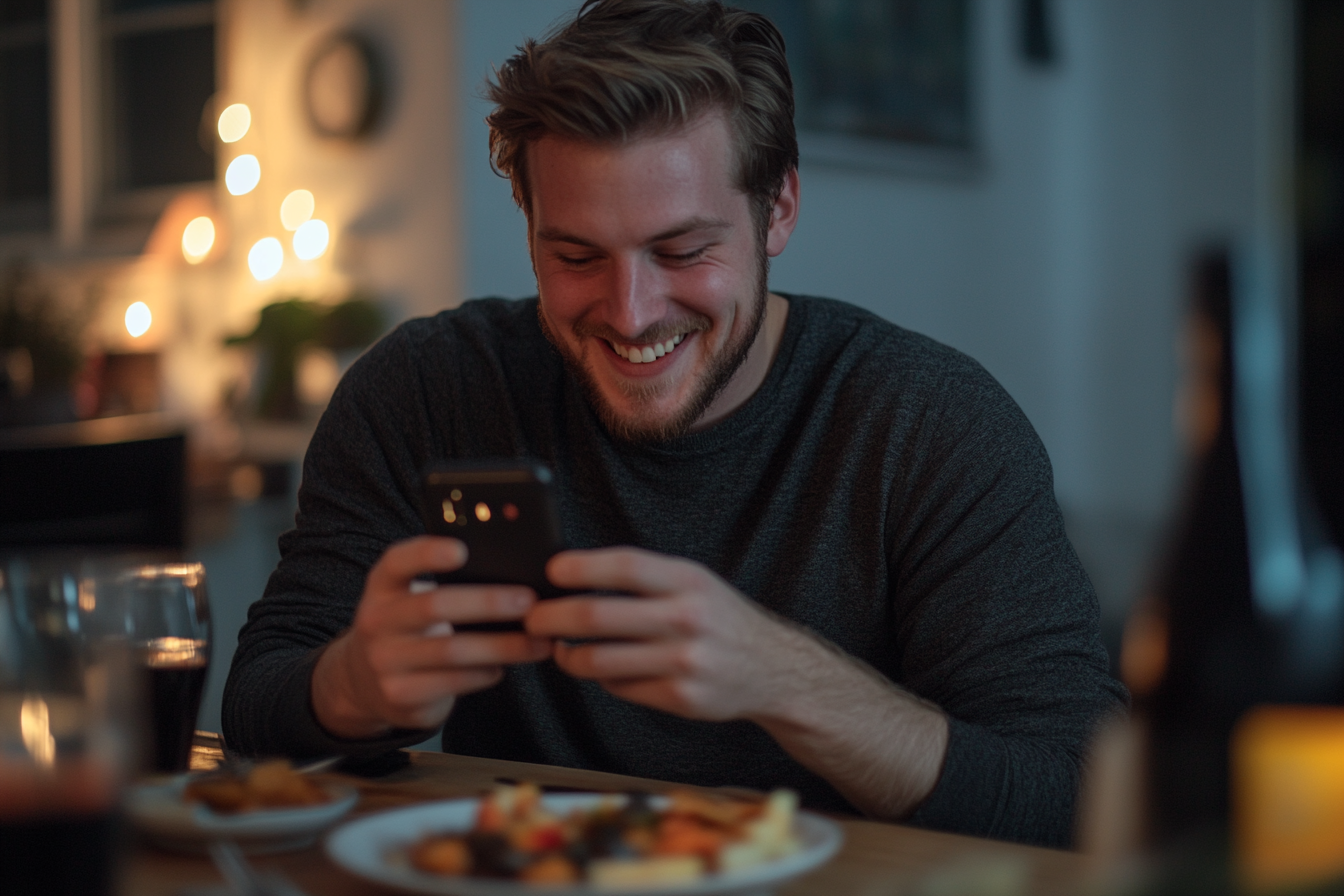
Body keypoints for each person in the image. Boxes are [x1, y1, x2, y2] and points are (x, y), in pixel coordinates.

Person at [224, 0, 1126, 849]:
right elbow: (259, 698)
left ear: (777, 208)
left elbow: (1080, 796)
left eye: (683, 251)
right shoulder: (426, 392)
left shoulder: (932, 426)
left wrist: (786, 680)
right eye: (575, 256)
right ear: (529, 224)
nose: (630, 311)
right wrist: (349, 686)